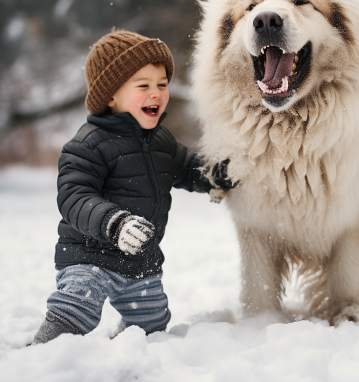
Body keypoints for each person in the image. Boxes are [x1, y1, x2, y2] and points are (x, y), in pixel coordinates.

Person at [31, 30, 236, 344]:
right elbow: (74, 196)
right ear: (111, 95)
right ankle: (45, 350)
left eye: (162, 85)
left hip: (142, 262)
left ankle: (127, 345)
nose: (156, 93)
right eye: (144, 86)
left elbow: (188, 168)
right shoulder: (88, 144)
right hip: (91, 257)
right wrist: (114, 223)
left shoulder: (162, 141)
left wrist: (217, 174)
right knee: (78, 308)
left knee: (152, 325)